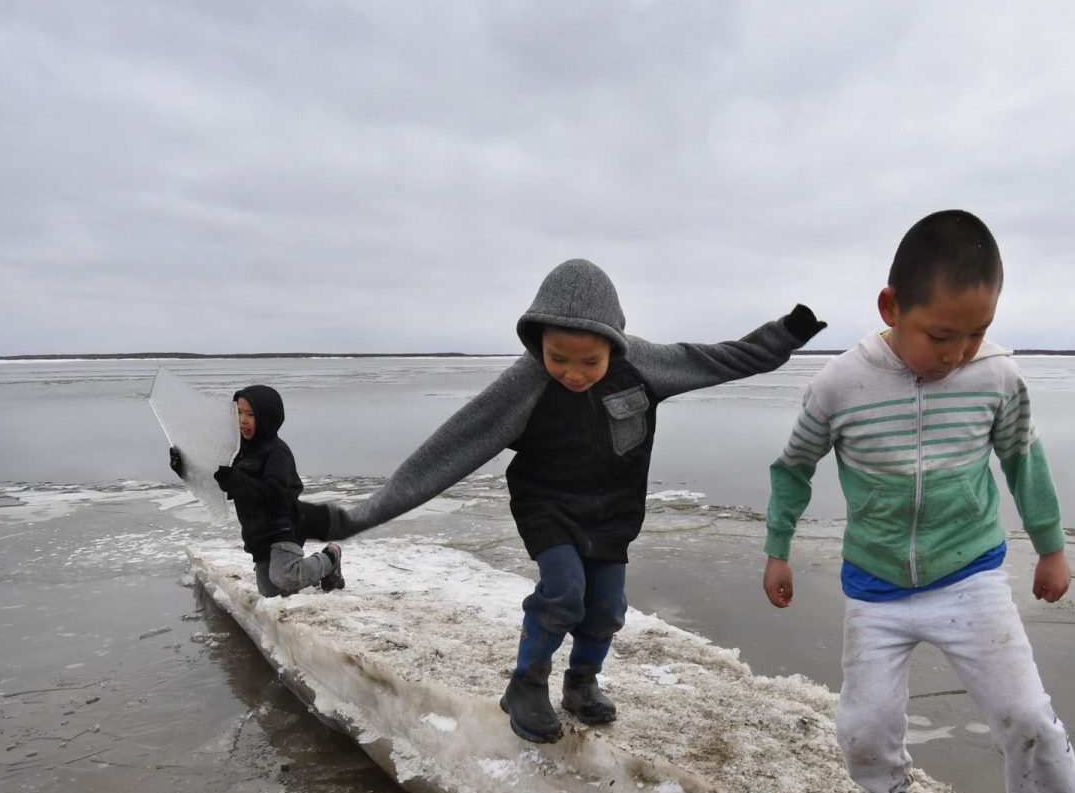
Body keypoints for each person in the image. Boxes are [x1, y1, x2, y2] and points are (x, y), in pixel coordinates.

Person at [760, 211, 1075, 793]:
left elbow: (1023, 457)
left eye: (976, 333)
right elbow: (793, 468)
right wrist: (777, 547)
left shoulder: (996, 377)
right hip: (875, 586)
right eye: (941, 335)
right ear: (891, 308)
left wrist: (1051, 545)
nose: (959, 352)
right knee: (865, 723)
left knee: (1026, 712)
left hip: (969, 576)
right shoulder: (840, 384)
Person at [302, 258, 825, 743]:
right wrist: (355, 517)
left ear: (614, 346)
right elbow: (450, 449)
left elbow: (719, 359)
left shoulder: (644, 363)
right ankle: (525, 685)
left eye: (589, 362)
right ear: (539, 343)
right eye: (558, 359)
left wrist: (786, 335)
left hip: (613, 515)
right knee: (564, 592)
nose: (573, 373)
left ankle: (581, 683)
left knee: (605, 609)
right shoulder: (525, 383)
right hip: (547, 506)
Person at [168, 384, 343, 598]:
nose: (242, 419)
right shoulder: (239, 451)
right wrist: (184, 469)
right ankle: (306, 572)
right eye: (239, 412)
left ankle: (330, 558)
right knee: (270, 589)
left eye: (250, 414)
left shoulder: (278, 453)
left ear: (267, 417)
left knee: (284, 577)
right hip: (259, 534)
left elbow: (274, 493)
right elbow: (218, 481)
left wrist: (236, 480)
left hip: (284, 527)